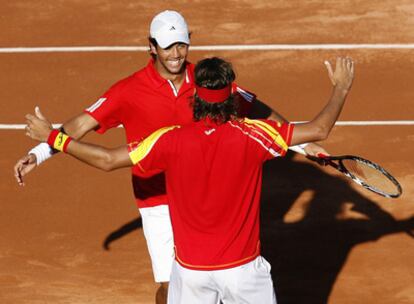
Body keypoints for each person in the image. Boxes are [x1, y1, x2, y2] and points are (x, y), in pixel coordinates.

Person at [14, 10, 327, 303]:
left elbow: (259, 111)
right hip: (157, 198)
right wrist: (40, 153)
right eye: (168, 47)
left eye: (182, 45)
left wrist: (303, 145)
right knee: (168, 283)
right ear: (151, 47)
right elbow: (81, 124)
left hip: (203, 195)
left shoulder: (206, 82)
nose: (176, 54)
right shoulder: (128, 90)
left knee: (212, 274)